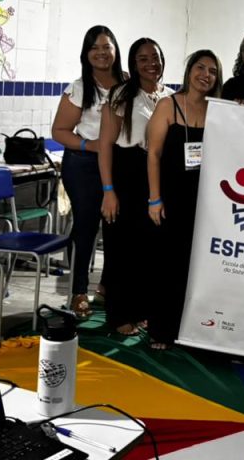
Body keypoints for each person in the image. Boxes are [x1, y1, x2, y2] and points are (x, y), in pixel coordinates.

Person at [146, 50, 223, 349]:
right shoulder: (169, 105)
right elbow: (153, 153)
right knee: (167, 265)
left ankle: (189, 329)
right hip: (170, 197)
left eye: (212, 71)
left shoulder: (218, 109)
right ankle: (161, 330)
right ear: (190, 70)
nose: (206, 75)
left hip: (204, 200)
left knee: (194, 266)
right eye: (200, 67)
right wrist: (154, 198)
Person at [98, 38, 173, 335]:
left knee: (149, 248)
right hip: (126, 172)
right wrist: (108, 191)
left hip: (156, 174)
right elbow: (105, 145)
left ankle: (142, 310)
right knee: (121, 248)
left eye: (155, 57)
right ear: (133, 63)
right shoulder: (121, 95)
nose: (151, 63)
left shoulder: (169, 96)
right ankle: (119, 316)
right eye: (143, 59)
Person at [51, 25, 124, 319]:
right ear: (86, 53)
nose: (101, 53)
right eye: (94, 48)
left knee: (116, 228)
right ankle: (78, 291)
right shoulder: (80, 88)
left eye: (106, 47)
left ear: (116, 50)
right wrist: (90, 145)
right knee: (86, 227)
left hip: (118, 163)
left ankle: (106, 287)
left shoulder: (128, 83)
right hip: (83, 164)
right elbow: (59, 131)